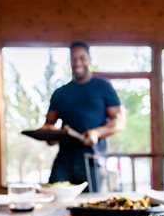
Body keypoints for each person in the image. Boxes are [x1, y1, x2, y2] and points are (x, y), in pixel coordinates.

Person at [42, 41, 125, 191]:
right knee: (53, 198)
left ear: (89, 59)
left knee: (90, 207)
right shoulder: (60, 93)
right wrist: (50, 133)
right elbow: (48, 127)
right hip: (64, 161)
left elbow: (119, 122)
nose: (77, 62)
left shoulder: (103, 87)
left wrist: (97, 132)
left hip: (92, 160)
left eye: (81, 58)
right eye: (73, 59)